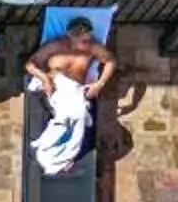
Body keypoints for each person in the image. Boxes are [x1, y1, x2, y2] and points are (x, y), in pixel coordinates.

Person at [27, 16, 116, 176]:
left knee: (78, 119)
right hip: (56, 87)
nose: (82, 43)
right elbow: (30, 65)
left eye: (85, 39)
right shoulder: (55, 46)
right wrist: (45, 78)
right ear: (70, 36)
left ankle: (55, 158)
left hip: (75, 89)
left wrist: (99, 83)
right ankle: (50, 158)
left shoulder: (93, 47)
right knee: (71, 118)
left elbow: (110, 61)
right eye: (79, 39)